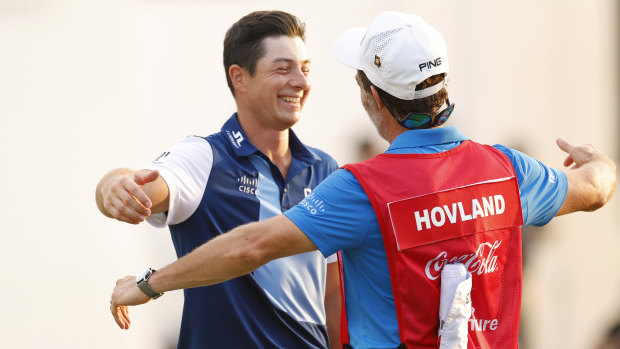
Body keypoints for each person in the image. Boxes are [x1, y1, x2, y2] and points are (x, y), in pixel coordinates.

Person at [109, 11, 617, 349]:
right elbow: (595, 188)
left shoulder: (363, 187)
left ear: (374, 97)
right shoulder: (508, 169)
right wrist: (598, 161)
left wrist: (150, 284)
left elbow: (252, 247)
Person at [97, 10, 341, 349]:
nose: (300, 81)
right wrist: (112, 183)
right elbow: (145, 186)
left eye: (305, 68)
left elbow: (333, 293)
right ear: (240, 78)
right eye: (283, 69)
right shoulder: (204, 156)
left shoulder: (326, 168)